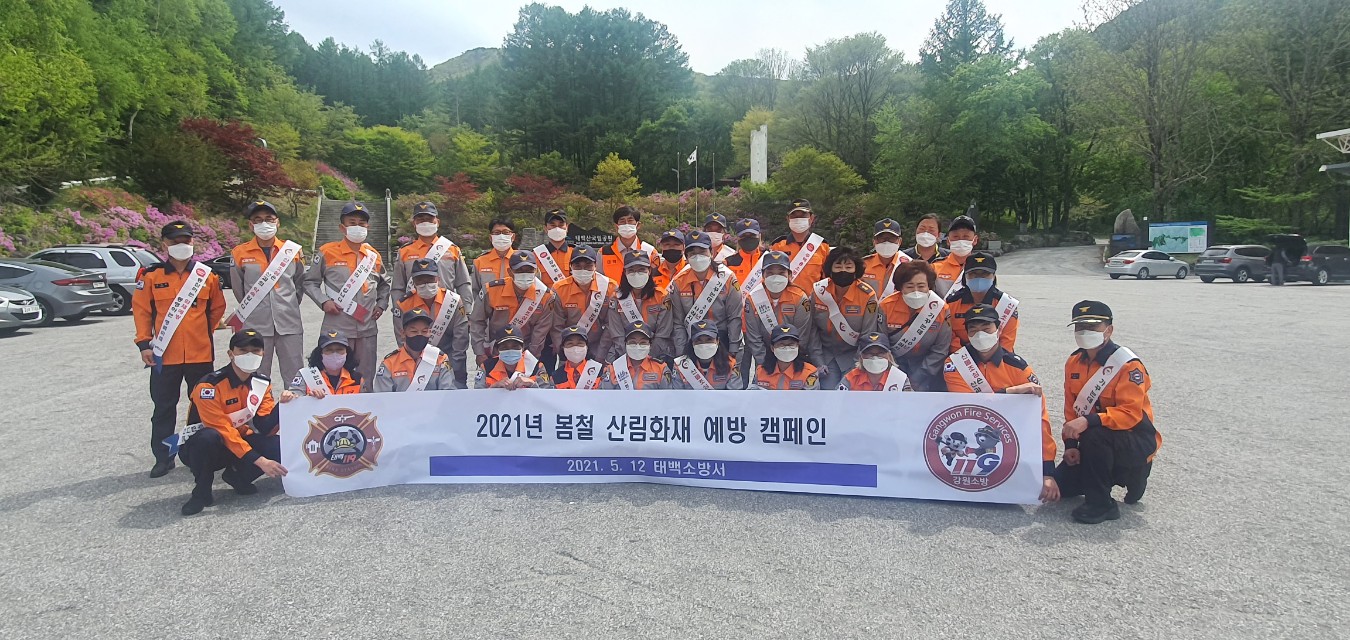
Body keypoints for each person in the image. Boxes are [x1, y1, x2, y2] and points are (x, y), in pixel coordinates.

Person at [134, 221, 227, 478]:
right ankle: (163, 458)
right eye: (175, 241)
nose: (181, 245)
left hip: (200, 354)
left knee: (201, 407)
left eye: (186, 240)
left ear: (193, 242)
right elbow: (142, 312)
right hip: (165, 356)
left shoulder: (206, 276)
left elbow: (216, 310)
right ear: (164, 244)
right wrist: (144, 344)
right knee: (164, 408)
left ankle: (195, 454)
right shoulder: (151, 276)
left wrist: (200, 332)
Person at [1055, 300, 1160, 525]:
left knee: (1095, 434)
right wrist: (1071, 446)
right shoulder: (1074, 362)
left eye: (1092, 327)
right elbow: (1071, 410)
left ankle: (1102, 504)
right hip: (1095, 441)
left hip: (1134, 438)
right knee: (1061, 486)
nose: (1085, 332)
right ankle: (1106, 476)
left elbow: (1130, 414)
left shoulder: (1128, 365)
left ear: (1109, 330)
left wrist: (1090, 420)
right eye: (1080, 327)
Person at [942, 304, 1059, 503]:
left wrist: (1047, 471)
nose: (980, 334)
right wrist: (1010, 393)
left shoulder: (1018, 367)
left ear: (998, 329)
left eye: (986, 328)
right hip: (970, 432)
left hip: (1008, 436)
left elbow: (1039, 419)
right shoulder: (954, 364)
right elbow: (968, 405)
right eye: (973, 330)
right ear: (967, 334)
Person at [178, 329, 286, 516]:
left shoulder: (261, 384)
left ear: (263, 354)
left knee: (278, 445)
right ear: (231, 354)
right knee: (208, 437)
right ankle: (201, 491)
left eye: (255, 351)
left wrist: (283, 406)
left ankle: (238, 477)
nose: (249, 355)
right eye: (243, 351)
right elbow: (221, 429)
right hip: (204, 448)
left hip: (238, 441)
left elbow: (265, 426)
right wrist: (260, 461)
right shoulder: (209, 386)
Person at [302, 201, 389, 390]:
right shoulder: (327, 252)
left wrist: (382, 304)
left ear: (368, 227)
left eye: (362, 223)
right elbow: (309, 282)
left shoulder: (373, 255)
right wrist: (323, 301)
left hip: (367, 326)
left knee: (365, 376)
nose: (357, 227)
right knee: (333, 374)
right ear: (342, 227)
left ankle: (365, 407)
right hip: (337, 326)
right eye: (352, 223)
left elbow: (384, 284)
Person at [228, 200, 305, 385]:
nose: (264, 223)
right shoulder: (239, 252)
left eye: (269, 219)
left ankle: (295, 404)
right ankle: (261, 405)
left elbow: (300, 284)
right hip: (256, 324)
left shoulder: (292, 251)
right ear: (251, 225)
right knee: (257, 375)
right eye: (258, 219)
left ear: (277, 222)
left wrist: (286, 304)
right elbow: (239, 289)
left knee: (295, 374)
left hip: (289, 322)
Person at [391, 202, 473, 345]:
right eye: (421, 220)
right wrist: (399, 312)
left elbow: (463, 283)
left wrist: (466, 311)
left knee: (453, 351)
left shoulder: (452, 249)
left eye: (429, 219)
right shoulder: (405, 252)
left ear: (437, 222)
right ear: (414, 223)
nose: (425, 223)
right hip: (414, 312)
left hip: (447, 310)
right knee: (415, 352)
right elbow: (398, 287)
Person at [469, 252, 557, 380]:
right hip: (496, 349)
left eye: (529, 270)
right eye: (519, 270)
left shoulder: (545, 296)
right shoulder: (492, 290)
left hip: (526, 351)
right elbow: (477, 321)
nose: (525, 274)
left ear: (536, 271)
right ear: (510, 272)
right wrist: (480, 352)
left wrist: (530, 360)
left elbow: (540, 332)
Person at [810, 247, 881, 391]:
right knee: (826, 393)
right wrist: (818, 360)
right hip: (826, 355)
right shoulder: (819, 291)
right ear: (830, 269)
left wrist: (858, 365)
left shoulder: (867, 295)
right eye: (838, 266)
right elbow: (811, 329)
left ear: (856, 270)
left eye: (848, 267)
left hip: (853, 356)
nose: (843, 271)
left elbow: (868, 333)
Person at [741, 250, 819, 378]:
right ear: (763, 275)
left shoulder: (800, 298)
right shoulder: (753, 298)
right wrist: (765, 364)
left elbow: (802, 336)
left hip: (793, 353)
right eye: (770, 273)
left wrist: (789, 360)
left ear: (789, 275)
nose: (775, 277)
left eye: (781, 273)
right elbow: (754, 338)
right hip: (764, 357)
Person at [878, 260, 952, 392]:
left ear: (929, 286)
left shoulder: (940, 309)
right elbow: (881, 344)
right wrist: (895, 373)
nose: (916, 291)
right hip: (893, 366)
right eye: (910, 286)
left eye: (921, 286)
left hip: (926, 369)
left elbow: (940, 350)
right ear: (900, 287)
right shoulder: (886, 307)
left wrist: (919, 376)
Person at [667, 231, 742, 360]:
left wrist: (733, 349)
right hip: (692, 340)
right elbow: (678, 322)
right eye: (692, 254)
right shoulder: (678, 282)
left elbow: (734, 317)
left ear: (711, 253)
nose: (698, 257)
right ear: (686, 257)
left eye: (702, 252)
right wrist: (681, 354)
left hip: (721, 339)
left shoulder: (727, 278)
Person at [396, 259, 470, 386]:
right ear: (413, 282)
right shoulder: (403, 304)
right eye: (420, 280)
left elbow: (460, 339)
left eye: (430, 279)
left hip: (450, 356)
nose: (425, 284)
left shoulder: (453, 301)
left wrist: (454, 368)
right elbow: (402, 339)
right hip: (416, 359)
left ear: (438, 279)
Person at [549, 245, 615, 377]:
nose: (583, 270)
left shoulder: (610, 287)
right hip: (570, 347)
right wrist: (564, 352)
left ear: (595, 266)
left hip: (600, 346)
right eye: (578, 266)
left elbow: (611, 325)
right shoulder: (559, 289)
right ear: (571, 267)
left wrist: (600, 355)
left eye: (588, 266)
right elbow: (556, 327)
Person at [603, 250, 674, 362]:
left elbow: (663, 333)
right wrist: (630, 358)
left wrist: (647, 358)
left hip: (656, 353)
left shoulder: (662, 297)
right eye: (631, 270)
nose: (636, 274)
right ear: (625, 272)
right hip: (623, 352)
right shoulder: (616, 299)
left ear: (649, 271)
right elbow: (617, 335)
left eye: (641, 270)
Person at [947, 252, 1019, 354]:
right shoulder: (951, 303)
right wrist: (966, 358)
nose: (979, 278)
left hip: (997, 357)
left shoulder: (1006, 304)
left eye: (985, 274)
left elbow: (1006, 343)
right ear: (965, 276)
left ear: (994, 276)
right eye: (973, 274)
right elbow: (949, 337)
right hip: (961, 357)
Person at [373, 308, 459, 392]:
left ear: (430, 332)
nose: (419, 335)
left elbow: (448, 394)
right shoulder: (389, 363)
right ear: (403, 333)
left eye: (424, 331)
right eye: (414, 331)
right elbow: (382, 398)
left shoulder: (440, 359)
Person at [282, 330, 363, 400]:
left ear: (347, 353)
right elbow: (293, 402)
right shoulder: (306, 376)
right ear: (320, 353)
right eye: (329, 350)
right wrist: (306, 399)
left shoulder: (358, 379)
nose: (334, 354)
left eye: (339, 350)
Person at [770, 198, 831, 290]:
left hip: (813, 298)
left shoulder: (822, 246)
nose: (798, 219)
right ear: (788, 219)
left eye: (803, 215)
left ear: (811, 218)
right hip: (785, 298)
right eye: (794, 216)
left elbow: (828, 280)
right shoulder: (777, 246)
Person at [671, 319, 743, 390]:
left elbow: (735, 395)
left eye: (709, 339)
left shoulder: (730, 364)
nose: (704, 344)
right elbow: (676, 395)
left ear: (717, 341)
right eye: (698, 340)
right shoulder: (681, 365)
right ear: (692, 343)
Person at [601, 320, 672, 389]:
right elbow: (602, 395)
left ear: (650, 345)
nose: (638, 346)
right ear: (625, 344)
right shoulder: (614, 368)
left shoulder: (661, 368)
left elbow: (669, 395)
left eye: (643, 343)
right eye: (632, 342)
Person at [479, 326, 555, 389]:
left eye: (515, 347)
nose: (510, 350)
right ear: (497, 350)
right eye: (505, 347)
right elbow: (476, 396)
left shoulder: (536, 366)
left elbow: (546, 396)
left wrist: (532, 384)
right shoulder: (487, 367)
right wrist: (493, 388)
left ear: (523, 347)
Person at [600, 205, 658, 284]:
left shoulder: (649, 251)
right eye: (622, 221)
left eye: (630, 221)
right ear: (616, 226)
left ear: (638, 225)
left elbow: (656, 280)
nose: (626, 224)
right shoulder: (603, 252)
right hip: (612, 292)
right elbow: (599, 280)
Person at [751, 325, 819, 390]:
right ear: (772, 348)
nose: (787, 349)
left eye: (791, 344)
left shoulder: (809, 373)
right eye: (781, 345)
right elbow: (752, 394)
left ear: (798, 346)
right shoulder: (761, 371)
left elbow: (811, 397)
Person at [838, 332, 912, 391]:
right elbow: (837, 401)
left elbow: (910, 402)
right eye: (870, 353)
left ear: (889, 355)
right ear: (861, 356)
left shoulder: (900, 378)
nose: (875, 357)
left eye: (880, 353)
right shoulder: (851, 378)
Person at [860, 218, 911, 297]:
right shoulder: (862, 265)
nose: (886, 242)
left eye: (891, 238)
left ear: (899, 241)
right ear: (874, 241)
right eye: (882, 238)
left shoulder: (909, 265)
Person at [933, 215, 979, 297]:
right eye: (955, 237)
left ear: (975, 240)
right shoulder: (934, 268)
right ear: (948, 241)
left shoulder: (982, 268)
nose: (960, 240)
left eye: (966, 237)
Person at [471, 219, 518, 296]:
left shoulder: (522, 259)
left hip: (515, 303)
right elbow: (474, 291)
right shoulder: (480, 262)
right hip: (488, 303)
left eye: (506, 232)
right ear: (490, 237)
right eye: (497, 232)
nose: (501, 236)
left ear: (513, 237)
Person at [532, 208, 575, 288]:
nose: (557, 229)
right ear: (545, 228)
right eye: (553, 225)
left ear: (567, 227)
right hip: (545, 295)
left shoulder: (575, 253)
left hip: (570, 295)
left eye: (561, 225)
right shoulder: (536, 254)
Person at [554, 325, 605, 390]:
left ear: (586, 346)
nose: (575, 348)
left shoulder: (600, 371)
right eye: (570, 344)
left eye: (580, 343)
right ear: (563, 348)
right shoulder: (556, 376)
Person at [724, 217, 764, 286]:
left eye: (752, 235)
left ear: (759, 236)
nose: (748, 239)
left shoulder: (768, 259)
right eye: (743, 236)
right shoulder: (728, 263)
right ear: (738, 238)